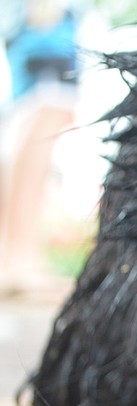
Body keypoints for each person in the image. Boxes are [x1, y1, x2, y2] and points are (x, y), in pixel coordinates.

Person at [0, 0, 78, 295]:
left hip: (32, 21)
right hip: (44, 19)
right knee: (45, 110)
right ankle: (20, 260)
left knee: (33, 115)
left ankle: (15, 257)